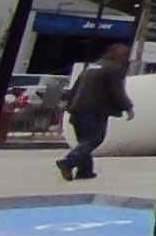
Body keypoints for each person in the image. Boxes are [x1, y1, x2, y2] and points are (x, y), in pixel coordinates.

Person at [55, 43, 133, 182]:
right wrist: (128, 107)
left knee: (84, 140)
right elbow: (117, 91)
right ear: (119, 56)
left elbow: (75, 88)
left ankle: (85, 170)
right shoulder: (113, 69)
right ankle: (68, 162)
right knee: (93, 139)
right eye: (125, 56)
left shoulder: (91, 67)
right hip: (95, 110)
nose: (126, 59)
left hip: (77, 109)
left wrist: (69, 105)